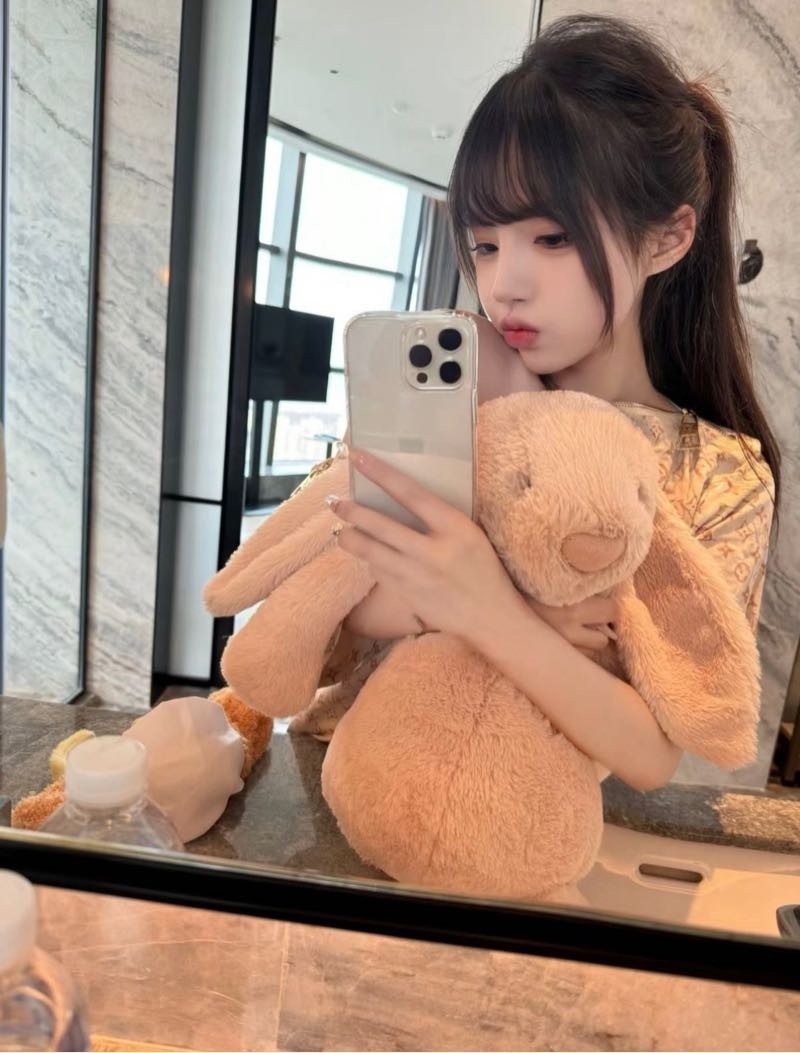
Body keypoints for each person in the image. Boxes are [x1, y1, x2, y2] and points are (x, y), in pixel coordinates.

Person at [326, 14, 780, 791]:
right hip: (348, 785)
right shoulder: (452, 398)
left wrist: (490, 608)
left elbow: (651, 753)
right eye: (485, 244)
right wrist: (483, 606)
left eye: (553, 238)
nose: (504, 283)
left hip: (530, 831)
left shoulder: (720, 473)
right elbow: (336, 609)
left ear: (668, 238)